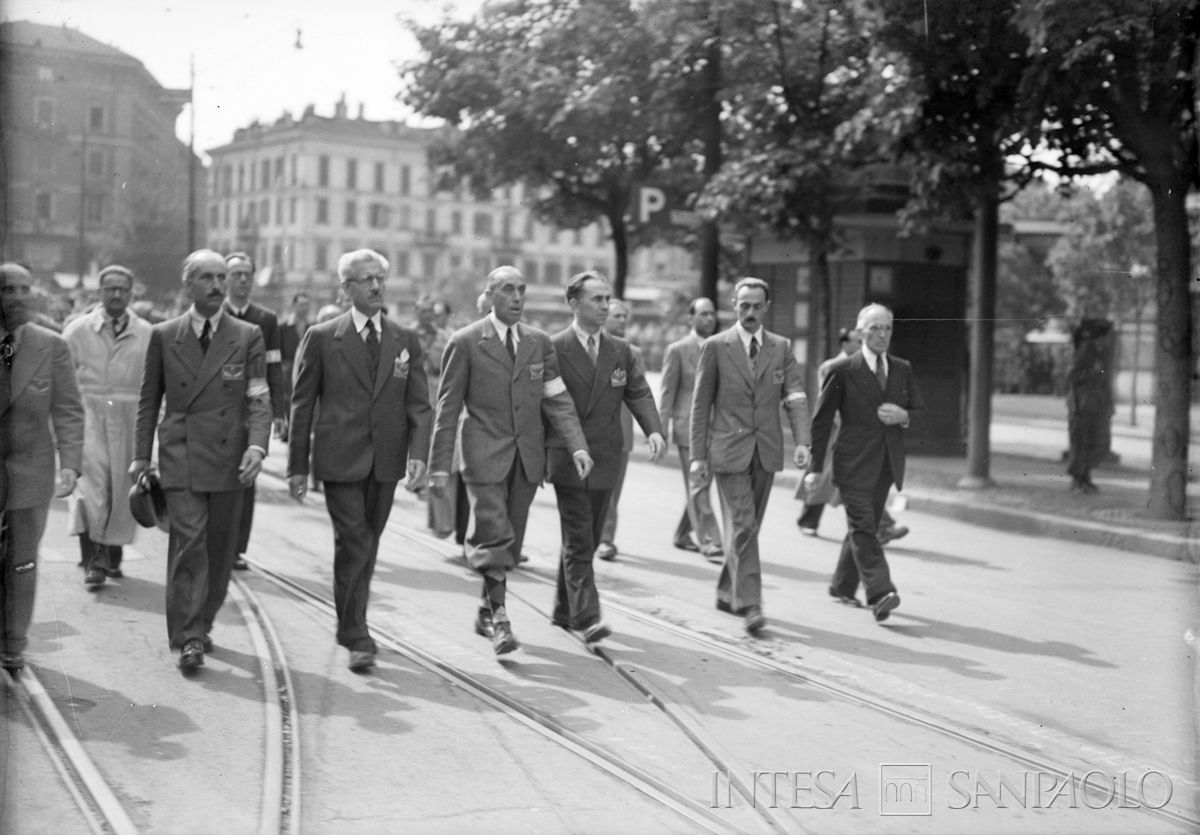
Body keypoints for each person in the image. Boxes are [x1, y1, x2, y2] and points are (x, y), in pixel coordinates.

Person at [428, 265, 591, 655]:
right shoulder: (466, 342)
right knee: (494, 533)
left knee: (510, 543)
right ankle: (501, 618)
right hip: (483, 455)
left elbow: (557, 399)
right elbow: (447, 408)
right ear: (490, 295)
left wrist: (578, 445)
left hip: (526, 460)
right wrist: (437, 465)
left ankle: (486, 609)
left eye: (522, 290)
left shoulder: (538, 342)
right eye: (508, 290)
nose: (517, 298)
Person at [287, 250, 430, 672]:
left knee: (367, 544)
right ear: (345, 289)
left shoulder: (405, 340)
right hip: (339, 459)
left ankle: (353, 622)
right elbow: (302, 404)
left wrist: (418, 455)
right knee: (355, 541)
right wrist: (298, 466)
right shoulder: (322, 336)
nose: (375, 287)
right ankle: (356, 633)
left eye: (380, 279)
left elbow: (420, 405)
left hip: (385, 463)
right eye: (365, 280)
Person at [131, 249, 271, 672]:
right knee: (190, 542)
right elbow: (148, 400)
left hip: (231, 458)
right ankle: (189, 635)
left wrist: (257, 446)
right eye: (207, 278)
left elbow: (259, 399)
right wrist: (140, 457)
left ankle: (203, 621)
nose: (216, 286)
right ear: (187, 284)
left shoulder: (247, 336)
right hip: (182, 455)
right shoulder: (163, 334)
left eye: (221, 278)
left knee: (220, 548)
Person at [690, 277, 811, 635]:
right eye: (744, 306)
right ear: (734, 305)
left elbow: (795, 396)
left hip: (766, 451)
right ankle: (752, 604)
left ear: (767, 307)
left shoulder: (780, 347)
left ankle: (729, 592)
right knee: (743, 525)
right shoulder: (715, 346)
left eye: (757, 306)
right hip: (728, 450)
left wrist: (803, 442)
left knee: (749, 527)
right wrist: (698, 457)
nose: (750, 313)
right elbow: (700, 406)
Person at [548, 272, 665, 642]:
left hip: (606, 456)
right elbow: (546, 404)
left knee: (588, 536)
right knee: (581, 536)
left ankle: (563, 609)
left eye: (606, 299)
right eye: (596, 299)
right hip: (568, 456)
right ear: (574, 304)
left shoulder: (620, 350)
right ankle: (587, 615)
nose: (603, 306)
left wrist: (655, 430)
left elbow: (639, 392)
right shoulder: (553, 347)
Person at [805, 303, 925, 623]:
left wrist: (905, 417)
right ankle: (881, 591)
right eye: (875, 329)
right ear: (860, 333)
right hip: (852, 463)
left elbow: (920, 413)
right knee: (862, 527)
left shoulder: (902, 369)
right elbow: (821, 421)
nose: (882, 334)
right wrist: (814, 468)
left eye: (887, 328)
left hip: (887, 464)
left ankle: (842, 586)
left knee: (866, 526)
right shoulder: (843, 370)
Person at [0, 263, 84, 673]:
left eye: (23, 288)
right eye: (6, 289)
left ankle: (13, 642)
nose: (16, 296)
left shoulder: (51, 346)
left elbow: (68, 409)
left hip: (30, 471)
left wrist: (70, 464)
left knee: (22, 560)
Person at [62, 265, 152, 589]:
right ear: (98, 292)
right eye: (109, 288)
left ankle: (112, 556)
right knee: (91, 490)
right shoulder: (77, 331)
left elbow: (155, 383)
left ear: (131, 293)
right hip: (89, 414)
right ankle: (94, 560)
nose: (116, 294)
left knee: (120, 488)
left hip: (130, 415)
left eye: (122, 289)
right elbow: (61, 377)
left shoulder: (146, 333)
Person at [796, 328, 911, 545]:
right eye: (856, 341)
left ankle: (879, 526)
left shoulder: (866, 367)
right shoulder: (832, 367)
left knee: (844, 481)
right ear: (844, 343)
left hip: (853, 432)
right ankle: (810, 520)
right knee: (824, 477)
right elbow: (828, 402)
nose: (860, 344)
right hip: (834, 430)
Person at [224, 252, 287, 571]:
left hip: (253, 407)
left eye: (248, 274)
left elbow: (274, 364)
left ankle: (236, 548)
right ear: (225, 279)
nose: (244, 280)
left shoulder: (265, 319)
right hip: (218, 405)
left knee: (247, 475)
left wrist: (279, 409)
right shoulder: (214, 313)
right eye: (236, 274)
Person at [658, 297, 723, 562]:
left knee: (701, 485)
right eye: (704, 314)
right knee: (698, 484)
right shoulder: (678, 350)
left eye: (712, 314)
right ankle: (710, 540)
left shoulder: (721, 347)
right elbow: (666, 393)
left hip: (717, 429)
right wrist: (660, 432)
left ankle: (683, 534)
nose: (709, 319)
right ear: (691, 318)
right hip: (687, 428)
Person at [594, 297, 635, 561]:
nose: (621, 321)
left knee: (613, 491)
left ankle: (604, 537)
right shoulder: (593, 348)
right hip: (595, 430)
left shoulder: (632, 353)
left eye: (624, 317)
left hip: (622, 430)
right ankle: (600, 537)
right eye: (616, 316)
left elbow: (638, 394)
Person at [1065, 321, 1113, 494]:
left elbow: (1104, 381)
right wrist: (1094, 372)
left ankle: (1085, 478)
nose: (1108, 339)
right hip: (1080, 405)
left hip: (1095, 405)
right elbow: (1072, 376)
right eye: (1105, 336)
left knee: (1097, 444)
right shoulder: (1087, 350)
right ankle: (1078, 481)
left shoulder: (1101, 353)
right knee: (1080, 444)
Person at [279, 291, 311, 407]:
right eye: (302, 304)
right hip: (287, 376)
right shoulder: (282, 328)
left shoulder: (312, 328)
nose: (305, 308)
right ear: (294, 306)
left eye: (307, 305)